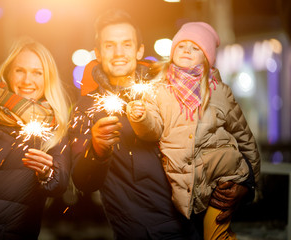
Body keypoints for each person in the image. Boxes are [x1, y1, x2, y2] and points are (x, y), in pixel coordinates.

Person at [69, 9, 201, 239]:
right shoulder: (86, 108)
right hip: (140, 232)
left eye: (126, 44)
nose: (118, 52)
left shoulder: (168, 90)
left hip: (194, 224)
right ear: (97, 53)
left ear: (139, 49)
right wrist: (96, 151)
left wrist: (244, 181)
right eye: (109, 45)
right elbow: (83, 181)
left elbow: (214, 137)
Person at [126, 22, 260, 239]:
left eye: (195, 47)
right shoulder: (158, 90)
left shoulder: (220, 92)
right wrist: (140, 118)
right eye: (181, 46)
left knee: (214, 235)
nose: (186, 50)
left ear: (207, 57)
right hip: (188, 186)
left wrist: (250, 183)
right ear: (172, 52)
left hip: (225, 177)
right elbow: (153, 129)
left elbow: (244, 137)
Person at [0, 37, 71, 240]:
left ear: (47, 78)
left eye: (37, 73)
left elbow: (60, 182)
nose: (26, 81)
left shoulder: (54, 129)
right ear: (7, 73)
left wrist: (47, 173)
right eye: (20, 70)